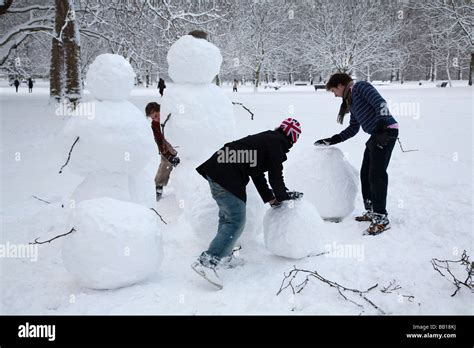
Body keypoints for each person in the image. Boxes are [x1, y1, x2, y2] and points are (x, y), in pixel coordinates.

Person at [192, 118, 304, 288]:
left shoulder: (267, 140)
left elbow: (257, 173)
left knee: (227, 218)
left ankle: (223, 256)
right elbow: (275, 175)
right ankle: (207, 262)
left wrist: (271, 198)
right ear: (293, 138)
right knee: (235, 220)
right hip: (225, 173)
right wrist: (283, 195)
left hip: (218, 168)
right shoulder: (276, 143)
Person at [314, 73, 399, 235]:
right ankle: (372, 210)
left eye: (333, 91)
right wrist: (333, 139)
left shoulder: (360, 87)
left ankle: (381, 218)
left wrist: (382, 126)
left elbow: (380, 103)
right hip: (377, 134)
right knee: (365, 173)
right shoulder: (351, 100)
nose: (334, 95)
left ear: (340, 85)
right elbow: (353, 128)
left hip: (386, 132)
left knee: (377, 175)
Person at [145, 102, 180, 201]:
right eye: (152, 118)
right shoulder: (155, 125)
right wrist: (169, 156)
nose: (155, 119)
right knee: (165, 165)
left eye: (156, 115)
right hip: (167, 147)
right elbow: (159, 142)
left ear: (160, 110)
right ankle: (159, 187)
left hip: (179, 144)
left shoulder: (170, 117)